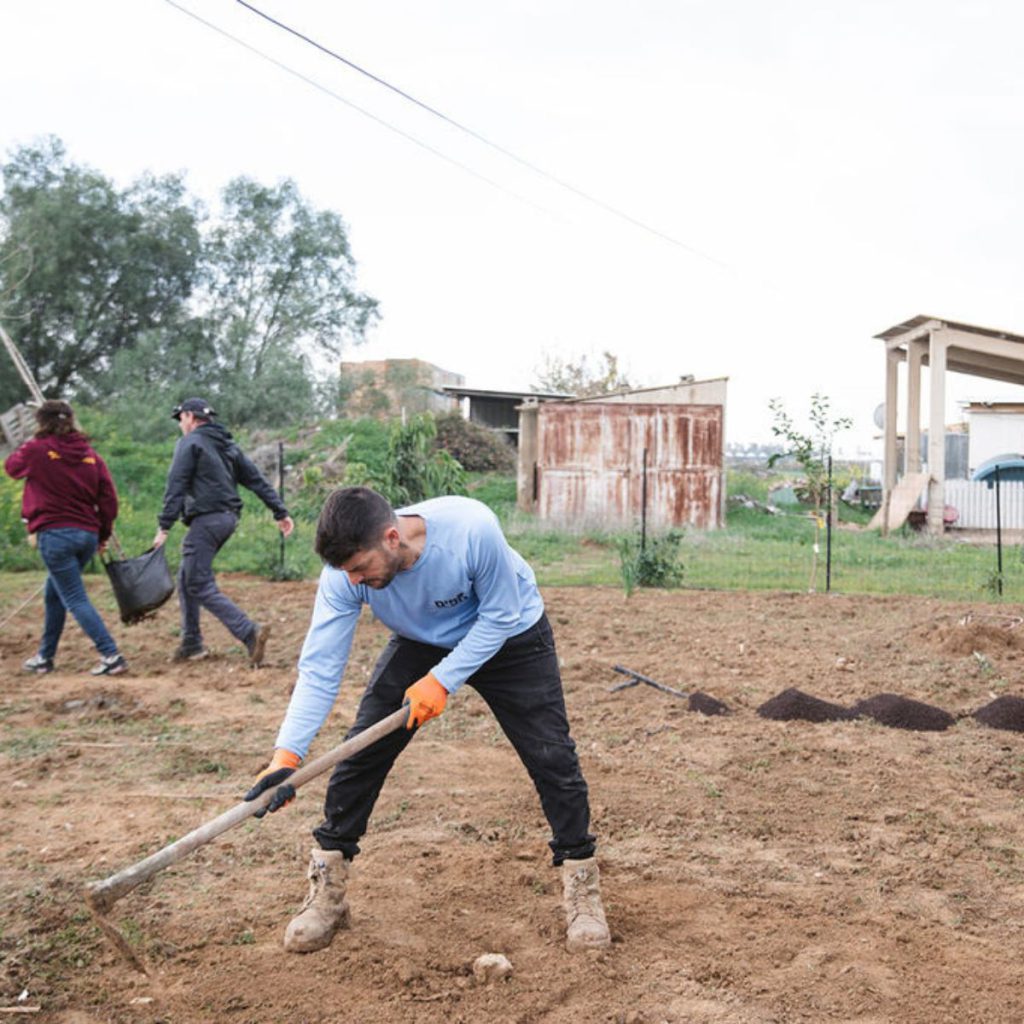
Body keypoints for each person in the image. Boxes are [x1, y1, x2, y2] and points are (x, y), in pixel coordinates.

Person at [244, 486, 611, 954]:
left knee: (552, 757)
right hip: (420, 641)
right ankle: (328, 889)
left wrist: (441, 681)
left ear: (392, 538)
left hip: (511, 632)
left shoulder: (471, 529)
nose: (353, 581)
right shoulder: (343, 578)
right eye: (346, 572)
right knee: (362, 752)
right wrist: (287, 754)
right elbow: (319, 670)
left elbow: (500, 615)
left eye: (360, 568)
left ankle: (581, 882)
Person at [152, 397, 294, 665]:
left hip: (207, 520)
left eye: (181, 418)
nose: (180, 424)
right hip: (227, 518)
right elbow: (255, 479)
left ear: (191, 417)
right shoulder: (227, 445)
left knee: (198, 582)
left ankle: (248, 631)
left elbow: (176, 484)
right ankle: (191, 642)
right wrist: (280, 511)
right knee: (186, 577)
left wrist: (164, 526)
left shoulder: (189, 443)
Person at [4, 400, 127, 676]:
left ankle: (111, 655)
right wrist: (102, 535)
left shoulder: (36, 450)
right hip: (86, 535)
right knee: (54, 595)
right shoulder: (91, 455)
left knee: (73, 597)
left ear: (40, 422)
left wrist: (30, 440)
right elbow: (109, 500)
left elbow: (11, 468)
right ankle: (45, 657)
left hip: (55, 534)